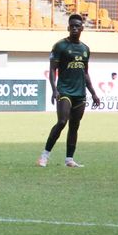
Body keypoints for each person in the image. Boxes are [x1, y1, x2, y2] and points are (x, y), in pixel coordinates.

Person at [37, 14, 100, 168]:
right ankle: (44, 156)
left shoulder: (85, 49)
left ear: (82, 28)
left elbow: (85, 73)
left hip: (80, 93)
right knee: (62, 121)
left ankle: (69, 159)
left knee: (74, 125)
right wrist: (54, 89)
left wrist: (93, 92)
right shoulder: (60, 46)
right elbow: (52, 70)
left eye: (77, 26)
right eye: (72, 26)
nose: (74, 28)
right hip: (64, 91)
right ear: (68, 27)